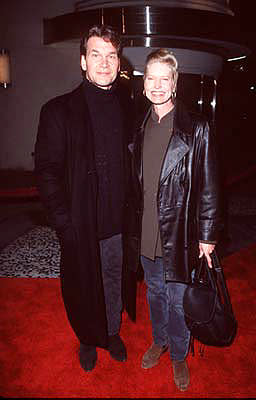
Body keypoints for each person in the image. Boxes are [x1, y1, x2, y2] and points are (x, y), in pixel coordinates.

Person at [34, 25, 135, 372]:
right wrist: (64, 223)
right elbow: (46, 172)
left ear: (118, 61)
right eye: (96, 55)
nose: (104, 63)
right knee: (81, 284)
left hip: (117, 221)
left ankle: (110, 332)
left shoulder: (125, 103)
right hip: (80, 221)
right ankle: (88, 338)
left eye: (110, 56)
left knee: (112, 278)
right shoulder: (58, 110)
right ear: (83, 61)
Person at [124, 49, 221, 391]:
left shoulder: (196, 129)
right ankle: (160, 340)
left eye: (165, 78)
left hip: (178, 233)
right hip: (146, 231)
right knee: (154, 293)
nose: (158, 85)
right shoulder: (137, 125)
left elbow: (209, 187)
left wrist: (207, 236)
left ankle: (178, 353)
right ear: (144, 82)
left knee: (178, 300)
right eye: (152, 77)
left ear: (175, 84)